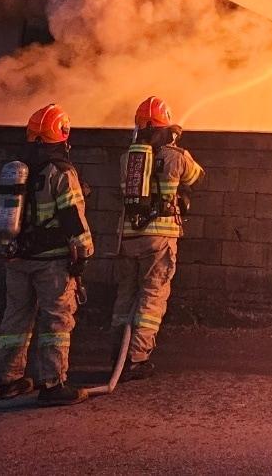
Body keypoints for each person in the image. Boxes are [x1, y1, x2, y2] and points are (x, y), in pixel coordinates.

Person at [0, 103, 94, 406]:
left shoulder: (16, 170)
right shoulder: (61, 173)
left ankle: (9, 379)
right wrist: (85, 252)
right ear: (62, 135)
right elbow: (73, 217)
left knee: (15, 318)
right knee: (56, 321)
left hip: (17, 258)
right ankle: (52, 384)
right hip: (51, 261)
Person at [112, 95, 205, 380]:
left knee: (125, 295)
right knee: (152, 297)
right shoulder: (176, 156)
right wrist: (175, 145)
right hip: (159, 238)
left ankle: (117, 354)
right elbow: (199, 178)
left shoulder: (128, 157)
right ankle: (137, 358)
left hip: (128, 237)